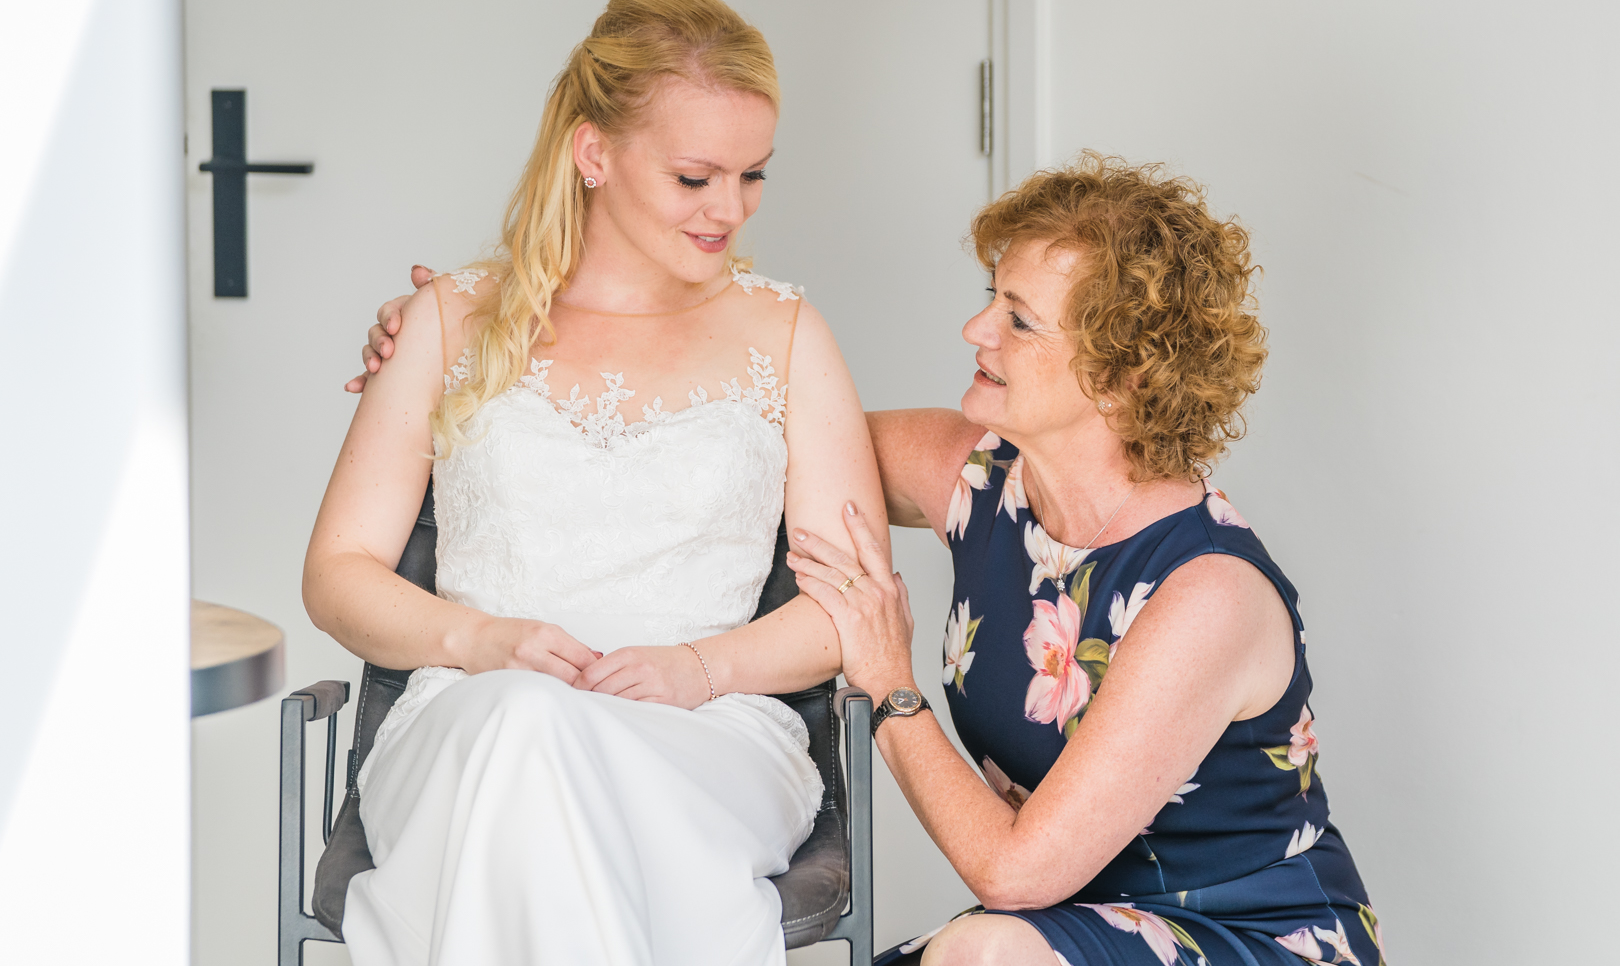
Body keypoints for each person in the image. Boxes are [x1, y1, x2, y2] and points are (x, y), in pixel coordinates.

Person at [352, 162, 1382, 964]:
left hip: (1236, 936)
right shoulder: (975, 476)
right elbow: (721, 436)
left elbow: (1016, 875)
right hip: (1052, 938)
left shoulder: (1207, 596)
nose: (975, 328)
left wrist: (890, 684)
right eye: (991, 295)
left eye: (1019, 320)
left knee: (982, 952)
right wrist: (467, 337)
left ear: (1123, 374)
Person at [304, 0, 885, 966]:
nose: (730, 209)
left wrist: (697, 668)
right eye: (695, 177)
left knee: (540, 769)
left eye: (752, 176)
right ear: (593, 153)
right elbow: (338, 572)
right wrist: (479, 641)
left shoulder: (786, 334)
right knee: (526, 728)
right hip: (471, 717)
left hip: (709, 731)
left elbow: (848, 609)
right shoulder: (450, 320)